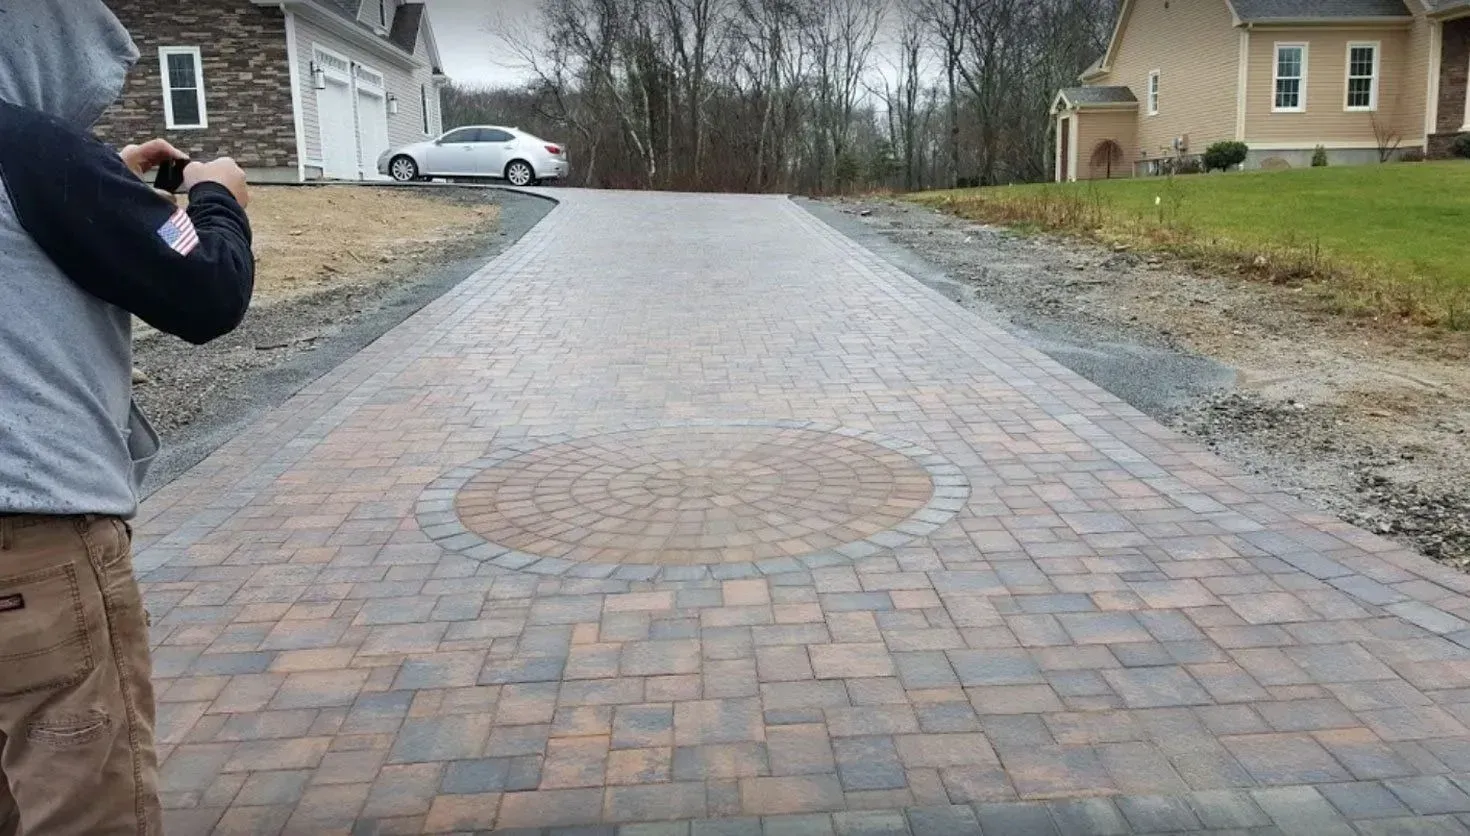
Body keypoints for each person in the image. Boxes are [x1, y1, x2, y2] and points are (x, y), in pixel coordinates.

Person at [0, 2, 255, 832]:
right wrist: (218, 199)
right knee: (83, 802)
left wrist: (95, 182)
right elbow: (207, 291)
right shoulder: (33, 153)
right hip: (35, 541)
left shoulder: (45, 172)